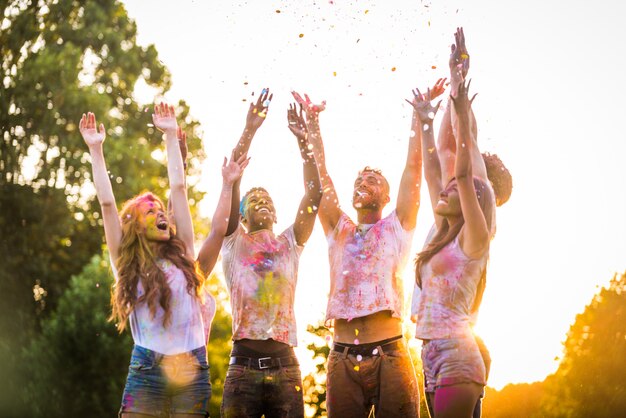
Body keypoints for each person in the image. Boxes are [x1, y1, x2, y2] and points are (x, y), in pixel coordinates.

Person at [80, 103, 245, 417]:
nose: (161, 214)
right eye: (150, 212)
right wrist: (95, 149)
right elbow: (106, 203)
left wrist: (170, 135)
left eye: (161, 211)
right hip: (146, 371)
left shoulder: (183, 253)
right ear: (137, 227)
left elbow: (178, 187)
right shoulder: (126, 266)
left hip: (192, 372)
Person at [291, 90, 421, 417]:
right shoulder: (339, 229)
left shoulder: (398, 225)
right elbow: (323, 177)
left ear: (387, 197)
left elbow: (413, 170)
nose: (364, 181)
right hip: (343, 358)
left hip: (391, 354)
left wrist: (419, 117)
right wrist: (313, 124)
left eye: (373, 179)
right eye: (360, 178)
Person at [408, 27, 512, 418]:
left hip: (458, 353)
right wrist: (423, 121)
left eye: (456, 188)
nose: (446, 188)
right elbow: (436, 166)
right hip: (430, 353)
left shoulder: (475, 237)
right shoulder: (442, 233)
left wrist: (460, 92)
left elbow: (464, 170)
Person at [219, 89, 322, 418]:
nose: (262, 200)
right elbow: (234, 173)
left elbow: (314, 194)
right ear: (242, 216)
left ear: (277, 214)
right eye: (253, 200)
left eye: (268, 199)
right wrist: (250, 129)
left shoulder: (290, 242)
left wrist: (306, 146)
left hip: (286, 369)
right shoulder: (233, 240)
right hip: (242, 368)